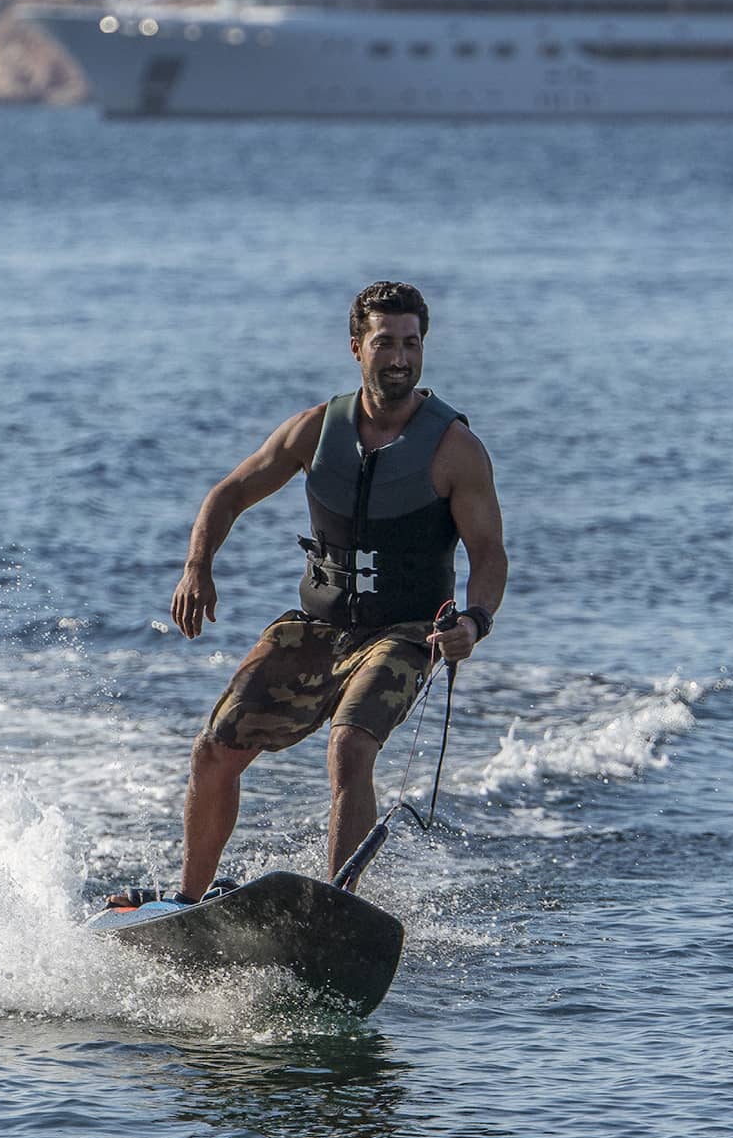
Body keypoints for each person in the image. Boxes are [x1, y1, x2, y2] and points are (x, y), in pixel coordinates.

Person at [168, 280, 507, 901]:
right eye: (385, 343)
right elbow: (229, 493)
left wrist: (475, 622)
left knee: (350, 747)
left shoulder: (455, 450)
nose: (400, 357)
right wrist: (198, 565)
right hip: (318, 627)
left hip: (407, 633)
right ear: (357, 347)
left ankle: (337, 908)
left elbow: (489, 556)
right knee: (214, 751)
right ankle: (187, 905)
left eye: (412, 343)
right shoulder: (315, 431)